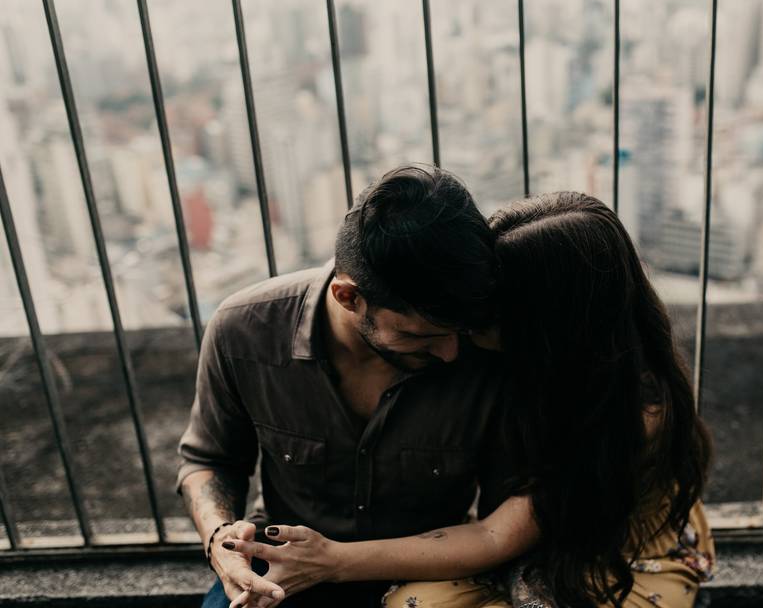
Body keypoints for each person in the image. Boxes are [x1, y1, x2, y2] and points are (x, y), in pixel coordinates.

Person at [225, 191, 714, 608]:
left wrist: (330, 562)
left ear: (547, 323)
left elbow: (499, 535)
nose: (463, 330)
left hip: (616, 554)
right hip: (529, 546)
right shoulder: (526, 362)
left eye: (489, 310)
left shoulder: (631, 407)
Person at [178, 164, 521, 608]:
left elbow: (502, 522)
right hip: (284, 571)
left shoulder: (484, 350)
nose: (451, 353)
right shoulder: (244, 331)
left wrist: (338, 561)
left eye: (459, 331)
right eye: (420, 336)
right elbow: (208, 460)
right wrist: (223, 542)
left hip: (431, 576)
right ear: (348, 296)